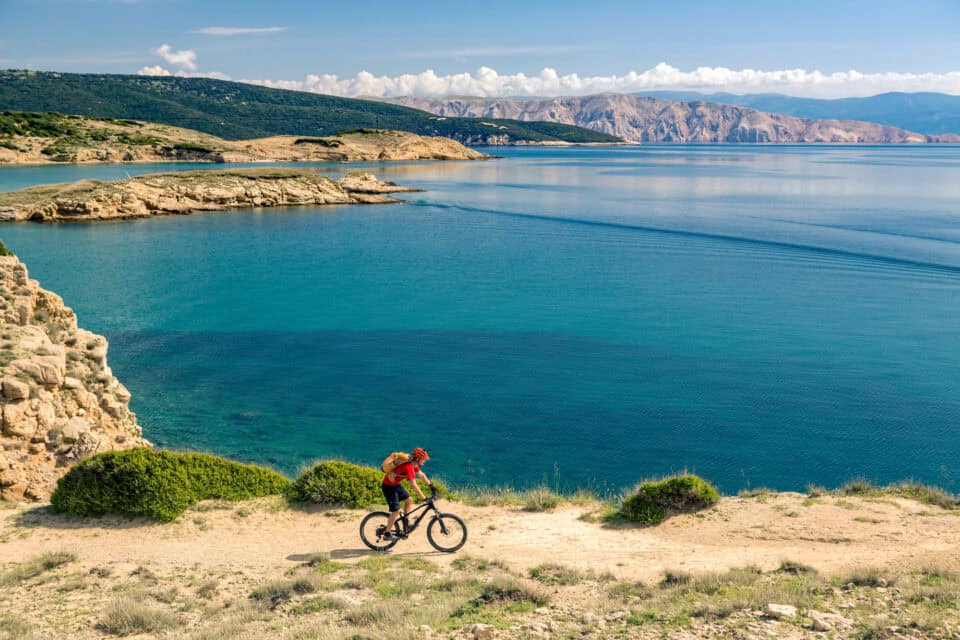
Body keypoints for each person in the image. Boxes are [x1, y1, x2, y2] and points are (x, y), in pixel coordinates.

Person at [381, 447, 432, 539]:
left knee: (409, 500)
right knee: (396, 511)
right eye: (423, 460)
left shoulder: (413, 464)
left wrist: (431, 486)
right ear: (418, 459)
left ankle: (406, 523)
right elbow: (413, 485)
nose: (424, 462)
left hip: (395, 485)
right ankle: (387, 534)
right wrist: (424, 498)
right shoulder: (409, 466)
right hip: (388, 487)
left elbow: (421, 475)